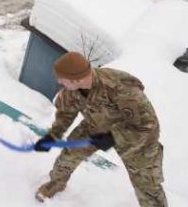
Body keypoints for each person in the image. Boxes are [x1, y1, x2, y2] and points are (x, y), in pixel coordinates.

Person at [34, 52, 167, 206]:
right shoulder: (71, 90)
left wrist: (113, 137)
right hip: (95, 126)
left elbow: (148, 125)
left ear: (76, 79)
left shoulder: (120, 88)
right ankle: (55, 184)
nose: (58, 81)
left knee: (148, 185)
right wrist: (52, 136)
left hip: (136, 138)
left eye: (62, 78)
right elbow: (65, 113)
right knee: (68, 156)